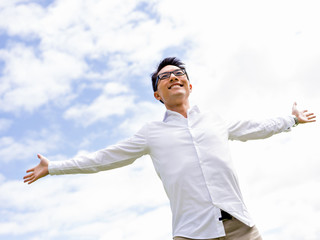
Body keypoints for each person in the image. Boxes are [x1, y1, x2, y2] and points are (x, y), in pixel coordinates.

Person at [24, 57, 316, 240]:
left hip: (241, 227)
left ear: (189, 85)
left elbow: (255, 127)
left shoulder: (215, 120)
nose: (173, 77)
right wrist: (54, 167)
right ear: (157, 94)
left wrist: (291, 119)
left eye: (178, 73)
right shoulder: (152, 133)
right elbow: (104, 158)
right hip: (191, 233)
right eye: (165, 76)